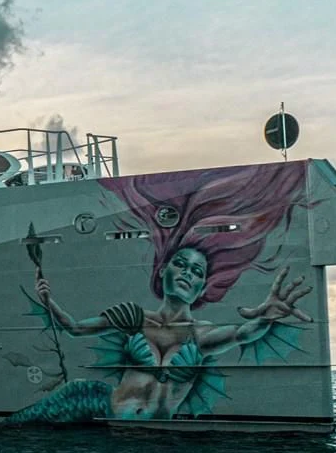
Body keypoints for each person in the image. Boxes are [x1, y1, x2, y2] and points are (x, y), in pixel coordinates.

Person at [28, 162, 311, 420]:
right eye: (181, 264)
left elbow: (241, 334)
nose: (188, 273)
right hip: (103, 410)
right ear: (163, 271)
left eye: (197, 272)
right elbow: (76, 328)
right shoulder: (135, 318)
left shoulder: (200, 334)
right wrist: (47, 300)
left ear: (202, 288)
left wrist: (267, 317)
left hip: (156, 434)